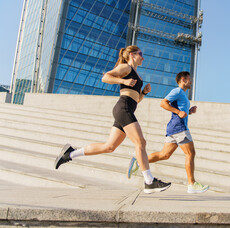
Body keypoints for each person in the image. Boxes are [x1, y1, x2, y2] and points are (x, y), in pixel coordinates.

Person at [54, 45, 171, 194]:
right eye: (140, 54)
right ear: (132, 55)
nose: (143, 57)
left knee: (109, 147)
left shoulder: (137, 75)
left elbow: (136, 99)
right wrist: (123, 82)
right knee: (140, 142)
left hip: (127, 108)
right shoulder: (125, 68)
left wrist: (144, 93)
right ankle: (149, 181)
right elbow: (106, 77)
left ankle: (70, 154)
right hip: (123, 108)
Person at [127, 71, 209, 194]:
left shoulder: (183, 95)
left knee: (164, 155)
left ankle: (139, 160)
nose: (191, 82)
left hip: (174, 128)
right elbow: (163, 103)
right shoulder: (177, 91)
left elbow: (181, 111)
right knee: (190, 153)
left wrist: (189, 111)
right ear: (183, 80)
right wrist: (178, 112)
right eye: (189, 79)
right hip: (179, 128)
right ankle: (191, 184)